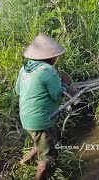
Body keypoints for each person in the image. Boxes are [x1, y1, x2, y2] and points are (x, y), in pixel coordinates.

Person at [15, 33, 71, 180]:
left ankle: (25, 162)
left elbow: (18, 91)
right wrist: (65, 83)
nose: (56, 58)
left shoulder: (25, 69)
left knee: (53, 136)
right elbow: (58, 96)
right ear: (50, 57)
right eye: (55, 55)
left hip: (27, 118)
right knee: (49, 158)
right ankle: (40, 174)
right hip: (41, 120)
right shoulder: (48, 70)